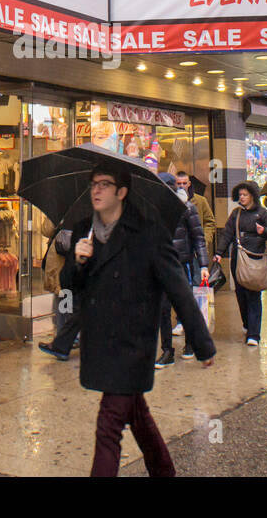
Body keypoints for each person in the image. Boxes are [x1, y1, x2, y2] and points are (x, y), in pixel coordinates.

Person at [58, 162, 215, 477]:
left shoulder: (149, 233)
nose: (97, 190)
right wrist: (77, 262)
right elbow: (69, 286)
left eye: (104, 184)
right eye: (93, 184)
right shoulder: (84, 231)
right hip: (100, 342)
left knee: (109, 424)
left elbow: (178, 289)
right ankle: (164, 471)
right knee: (137, 415)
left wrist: (202, 343)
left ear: (122, 192)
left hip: (133, 345)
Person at [213, 180, 267, 346]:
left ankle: (254, 334)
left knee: (253, 295)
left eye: (245, 195)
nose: (241, 198)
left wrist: (264, 231)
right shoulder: (236, 214)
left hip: (255, 259)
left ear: (252, 196)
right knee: (241, 295)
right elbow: (227, 234)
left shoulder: (263, 213)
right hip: (238, 260)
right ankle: (248, 325)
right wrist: (219, 253)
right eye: (240, 195)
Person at [156, 172, 210, 367]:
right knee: (163, 309)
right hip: (163, 266)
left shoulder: (188, 208)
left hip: (183, 264)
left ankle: (189, 344)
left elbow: (199, 238)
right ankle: (167, 351)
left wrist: (203, 265)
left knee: (185, 305)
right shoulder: (156, 210)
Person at [38, 219, 82, 361]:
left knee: (67, 305)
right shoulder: (62, 210)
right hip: (61, 266)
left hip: (69, 267)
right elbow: (46, 230)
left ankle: (65, 341)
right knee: (64, 304)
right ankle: (64, 340)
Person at [176, 171, 216, 252]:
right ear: (175, 184)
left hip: (196, 248)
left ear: (189, 184)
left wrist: (205, 239)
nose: (182, 186)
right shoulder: (172, 199)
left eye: (184, 183)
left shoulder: (200, 201)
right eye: (179, 183)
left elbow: (210, 222)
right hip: (178, 247)